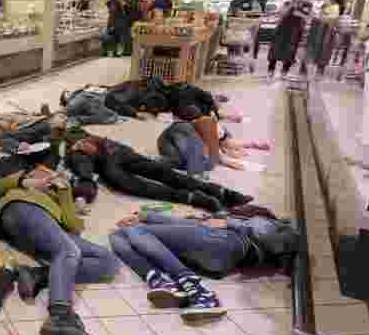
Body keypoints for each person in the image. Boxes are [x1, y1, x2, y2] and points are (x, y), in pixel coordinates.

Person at [0, 166, 119, 335]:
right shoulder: (21, 184)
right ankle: (60, 317)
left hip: (48, 230)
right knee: (69, 250)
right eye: (42, 172)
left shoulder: (56, 195)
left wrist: (64, 191)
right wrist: (27, 181)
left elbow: (73, 226)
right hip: (21, 210)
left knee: (108, 262)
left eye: (50, 174)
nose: (48, 176)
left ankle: (37, 275)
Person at [109, 209, 298, 319]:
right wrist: (146, 215)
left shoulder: (268, 223)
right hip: (208, 249)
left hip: (227, 242)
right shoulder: (219, 220)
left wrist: (229, 222)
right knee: (117, 235)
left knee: (137, 232)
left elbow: (270, 235)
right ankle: (162, 282)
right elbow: (185, 225)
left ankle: (198, 290)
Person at [67, 136, 253, 212]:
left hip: (115, 150)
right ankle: (197, 198)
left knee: (162, 172)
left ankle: (220, 192)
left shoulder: (80, 136)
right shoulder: (75, 152)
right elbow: (84, 172)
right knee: (144, 187)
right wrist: (83, 195)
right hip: (106, 161)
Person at [157, 111, 271, 175]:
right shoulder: (184, 129)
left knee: (210, 160)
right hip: (171, 152)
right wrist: (224, 160)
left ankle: (234, 148)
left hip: (184, 144)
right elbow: (188, 152)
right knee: (206, 164)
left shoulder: (205, 126)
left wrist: (223, 157)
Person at [268, 0, 313, 78]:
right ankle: (271, 70)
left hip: (296, 31)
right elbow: (283, 13)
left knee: (291, 51)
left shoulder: (308, 4)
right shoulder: (288, 2)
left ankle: (284, 72)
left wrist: (298, 12)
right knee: (275, 49)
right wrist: (292, 5)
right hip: (282, 28)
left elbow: (307, 16)